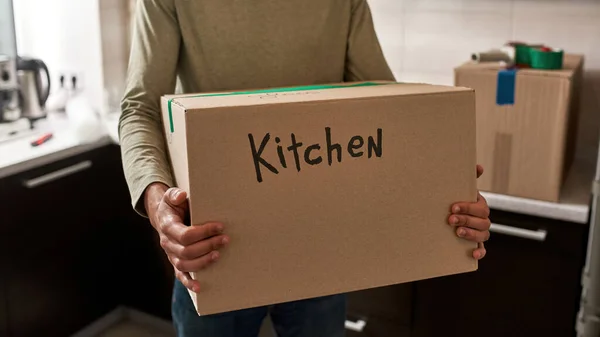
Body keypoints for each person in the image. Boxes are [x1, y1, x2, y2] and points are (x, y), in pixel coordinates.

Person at [119, 0, 491, 336]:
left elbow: (385, 107)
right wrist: (157, 205)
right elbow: (140, 108)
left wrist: (443, 181)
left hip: (320, 250)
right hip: (213, 248)